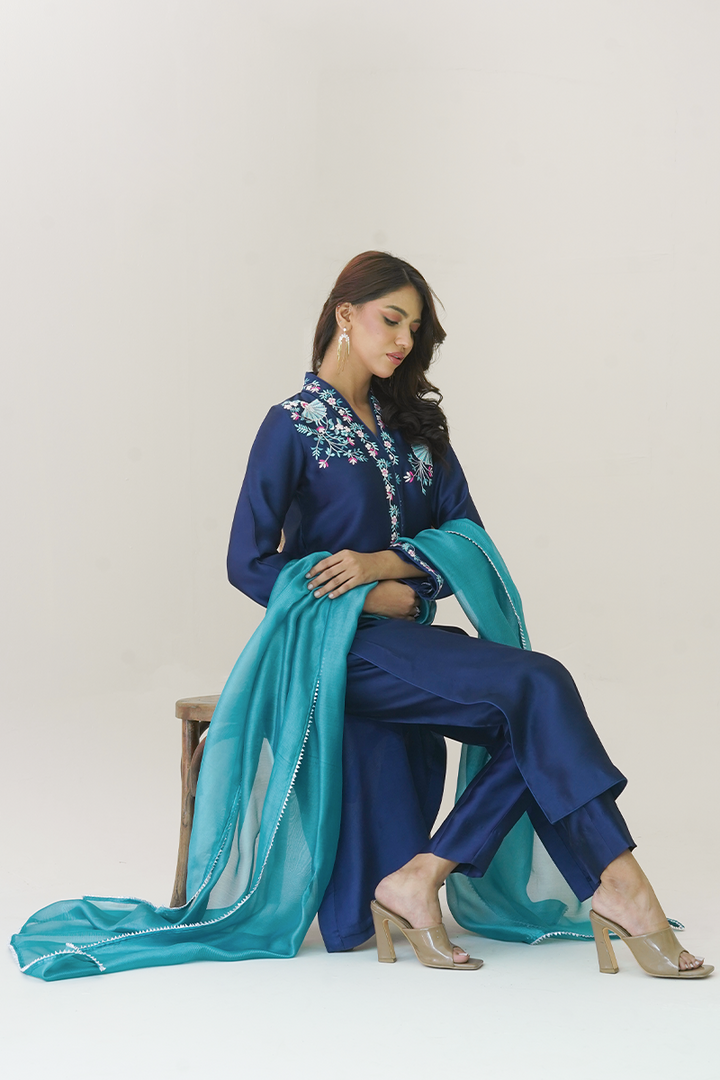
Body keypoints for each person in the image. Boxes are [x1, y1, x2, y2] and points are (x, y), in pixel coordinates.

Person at [226, 251, 711, 978]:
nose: (403, 340)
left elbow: (469, 540)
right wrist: (358, 596)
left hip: (409, 645)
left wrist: (384, 565)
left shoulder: (416, 427)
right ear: (344, 314)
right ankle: (623, 890)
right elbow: (247, 563)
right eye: (391, 320)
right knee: (541, 686)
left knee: (537, 710)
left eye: (414, 329)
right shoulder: (291, 426)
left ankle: (423, 877)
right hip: (335, 649)